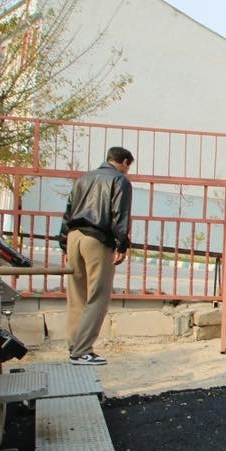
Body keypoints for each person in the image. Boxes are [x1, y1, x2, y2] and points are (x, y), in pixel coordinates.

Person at [58, 146, 134, 366]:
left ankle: (74, 344)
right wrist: (122, 245)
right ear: (125, 161)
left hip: (74, 236)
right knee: (98, 296)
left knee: (76, 293)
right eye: (129, 166)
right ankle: (82, 351)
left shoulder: (83, 179)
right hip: (97, 239)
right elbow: (120, 214)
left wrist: (64, 243)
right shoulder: (120, 180)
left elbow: (68, 212)